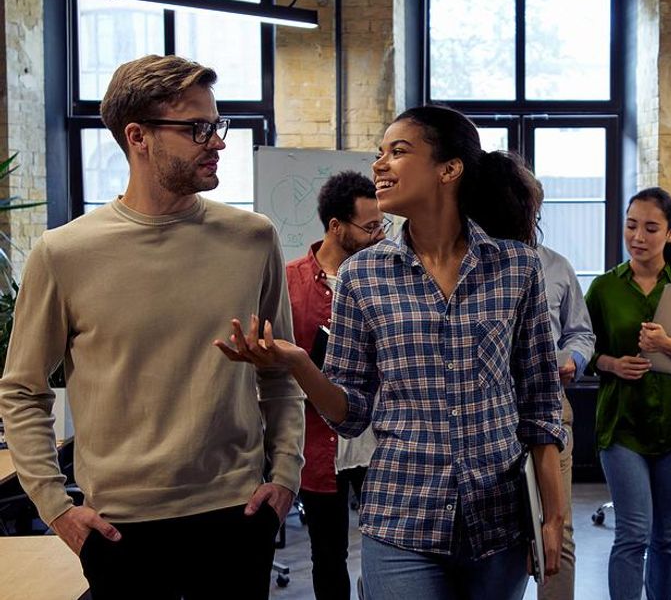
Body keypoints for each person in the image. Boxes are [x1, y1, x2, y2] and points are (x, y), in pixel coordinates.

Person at [216, 105, 566, 600]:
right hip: (402, 519)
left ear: (449, 169)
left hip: (498, 524)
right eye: (379, 152)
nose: (379, 164)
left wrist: (553, 518)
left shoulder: (516, 268)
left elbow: (539, 405)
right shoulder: (363, 276)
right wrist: (298, 363)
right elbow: (350, 414)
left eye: (398, 152)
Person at [0, 55, 305, 599]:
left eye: (217, 125)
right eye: (197, 129)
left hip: (238, 514)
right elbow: (23, 390)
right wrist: (56, 509)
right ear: (137, 136)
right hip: (122, 528)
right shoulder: (64, 253)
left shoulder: (252, 237)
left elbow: (279, 374)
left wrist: (284, 475)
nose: (217, 142)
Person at [585, 187, 671, 600]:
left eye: (650, 228)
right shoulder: (604, 289)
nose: (638, 237)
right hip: (622, 424)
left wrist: (669, 346)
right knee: (633, 533)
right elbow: (582, 349)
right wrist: (611, 363)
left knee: (665, 535)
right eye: (631, 226)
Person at [285, 170, 386, 600]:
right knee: (328, 553)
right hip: (317, 439)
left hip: (377, 436)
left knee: (388, 548)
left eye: (383, 225)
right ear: (335, 227)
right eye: (370, 227)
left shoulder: (387, 278)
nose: (379, 235)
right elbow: (275, 367)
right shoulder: (290, 280)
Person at [524, 173, 595, 600]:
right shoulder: (471, 262)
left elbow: (580, 332)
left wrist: (575, 358)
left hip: (552, 407)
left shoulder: (557, 266)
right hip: (492, 415)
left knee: (558, 529)